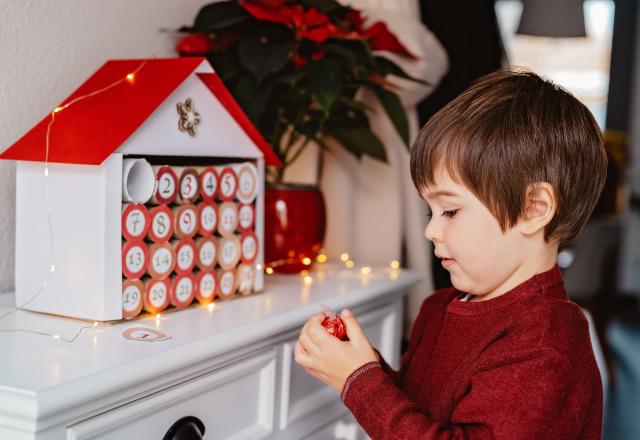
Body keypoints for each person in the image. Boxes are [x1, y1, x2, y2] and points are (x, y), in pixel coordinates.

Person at [294, 69, 607, 439]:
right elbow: (420, 418)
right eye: (431, 212)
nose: (431, 230)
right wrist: (364, 366)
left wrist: (359, 382)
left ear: (533, 209)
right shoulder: (439, 308)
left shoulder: (544, 343)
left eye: (450, 211)